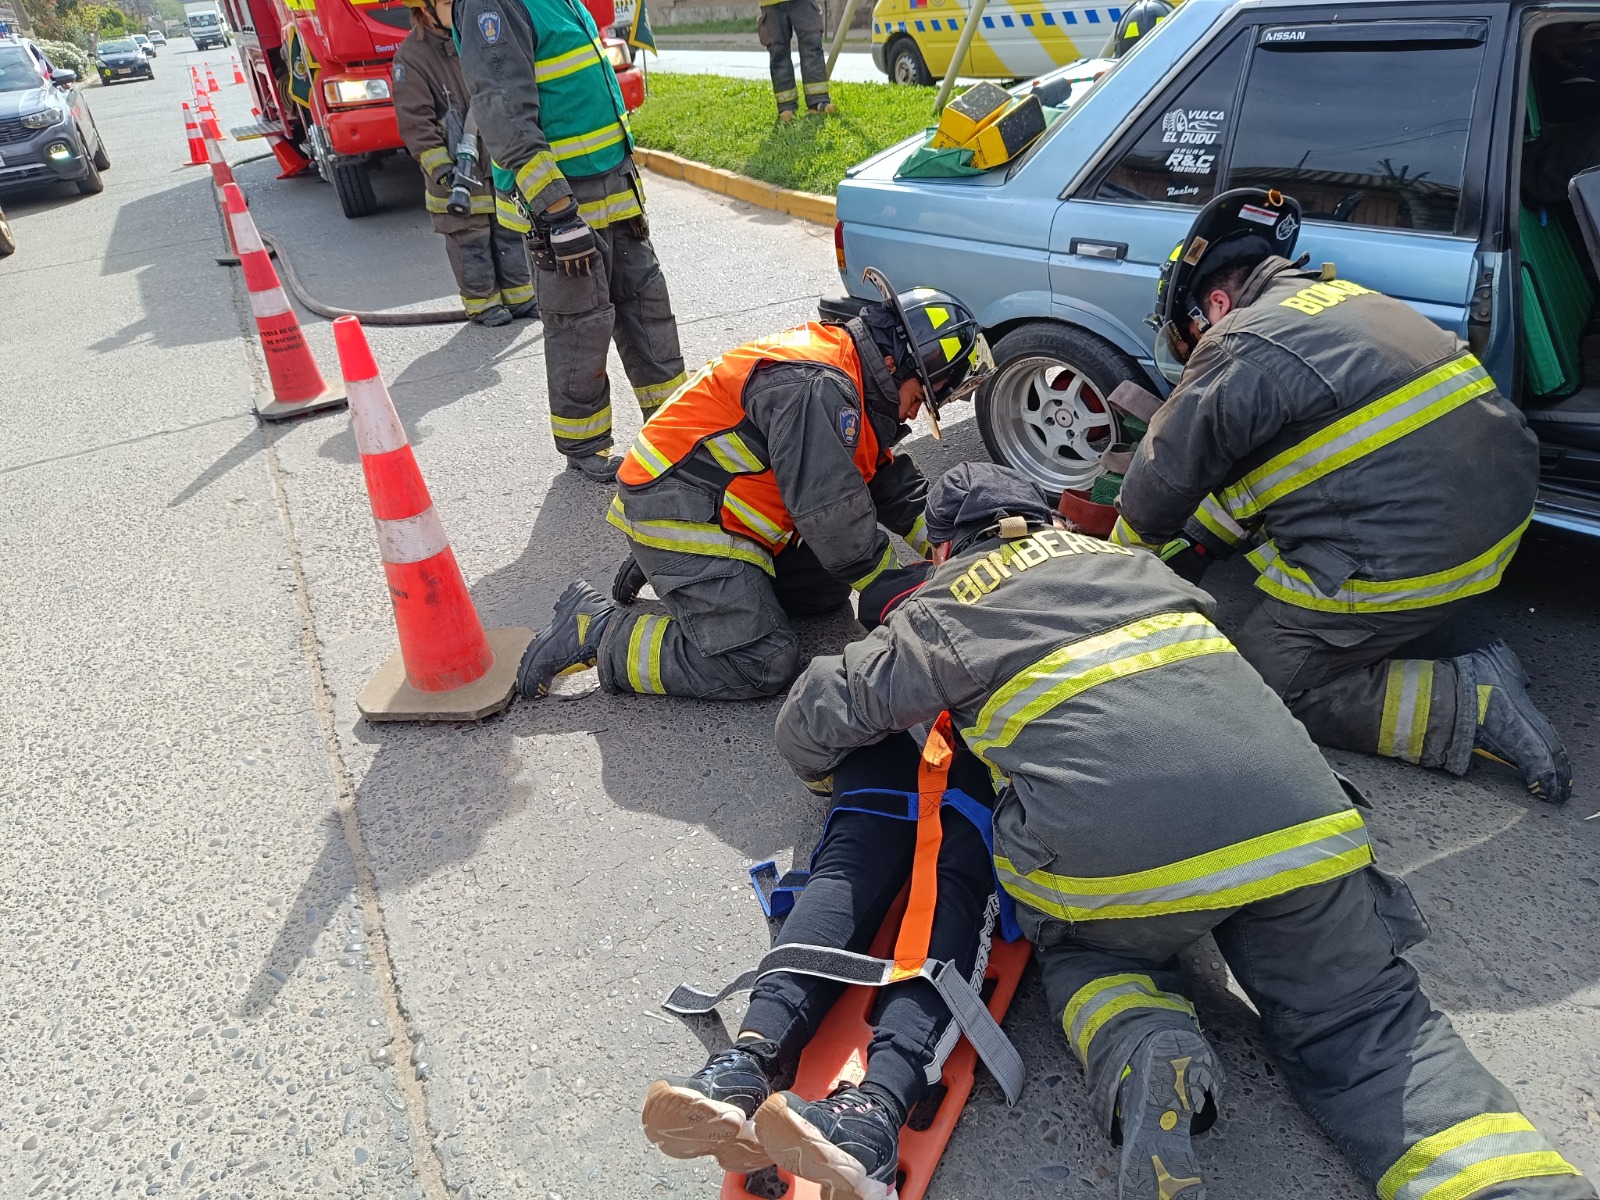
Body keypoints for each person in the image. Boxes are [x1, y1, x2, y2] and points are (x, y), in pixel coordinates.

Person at [770, 459, 1596, 1200]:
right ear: (1047, 523)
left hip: (1121, 866)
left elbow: (816, 715)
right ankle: (1515, 1184)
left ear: (946, 551)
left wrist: (825, 782)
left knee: (1086, 948)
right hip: (1301, 827)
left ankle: (1146, 1049)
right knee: (1369, 1025)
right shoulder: (1133, 567)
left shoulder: (947, 603)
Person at [1111, 188, 1573, 803]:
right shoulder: (1340, 302)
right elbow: (1291, 461)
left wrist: (1116, 574)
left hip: (1420, 557)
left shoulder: (1239, 341)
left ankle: (1471, 700)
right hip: (1500, 516)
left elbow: (1164, 475)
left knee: (1258, 685)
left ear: (1215, 303)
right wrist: (1198, 542)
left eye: (1190, 338)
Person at [514, 268, 995, 704]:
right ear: (896, 365)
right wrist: (899, 596)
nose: (915, 413)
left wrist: (959, 545)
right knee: (760, 663)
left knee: (824, 593)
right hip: (680, 512)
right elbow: (834, 515)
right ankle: (599, 631)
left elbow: (889, 485)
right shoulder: (819, 388)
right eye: (921, 398)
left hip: (712, 502)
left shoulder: (852, 373)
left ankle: (685, 582)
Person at [641, 725, 1010, 1199]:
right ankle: (872, 1122)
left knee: (852, 857)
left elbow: (812, 721)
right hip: (973, 734)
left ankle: (742, 1069)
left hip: (881, 722)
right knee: (957, 868)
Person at [453, 0, 687, 480]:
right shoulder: (490, 5)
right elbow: (503, 115)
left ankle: (676, 425)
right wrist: (557, 213)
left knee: (648, 310)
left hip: (613, 188)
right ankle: (584, 445)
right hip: (561, 203)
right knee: (580, 327)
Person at [392, 0, 537, 327]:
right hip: (456, 177)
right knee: (470, 242)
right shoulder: (412, 57)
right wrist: (443, 171)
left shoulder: (473, 38)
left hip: (495, 166)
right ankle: (482, 304)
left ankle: (521, 297)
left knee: (509, 233)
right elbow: (416, 123)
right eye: (448, 2)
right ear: (426, 10)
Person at [759, 0, 832, 122]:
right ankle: (786, 107)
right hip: (771, 3)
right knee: (778, 53)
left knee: (812, 48)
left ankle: (818, 102)